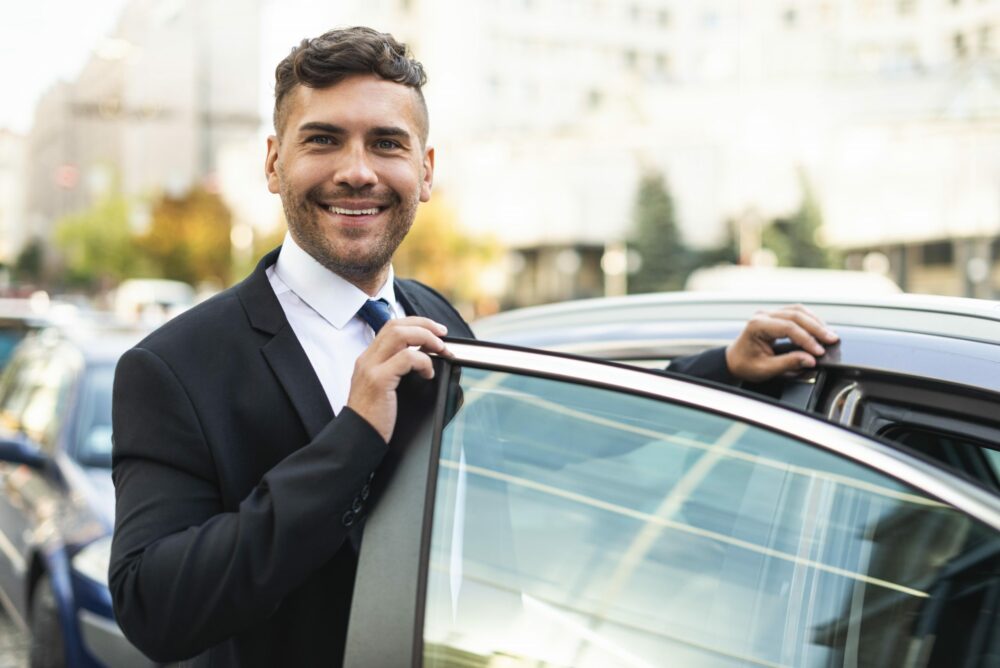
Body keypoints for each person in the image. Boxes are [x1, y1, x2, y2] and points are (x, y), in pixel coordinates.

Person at [109, 26, 839, 667]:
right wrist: (352, 437)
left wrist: (724, 371)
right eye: (323, 139)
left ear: (425, 173)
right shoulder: (171, 369)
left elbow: (544, 433)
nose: (358, 170)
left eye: (387, 144)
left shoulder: (433, 314)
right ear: (273, 164)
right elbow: (156, 611)